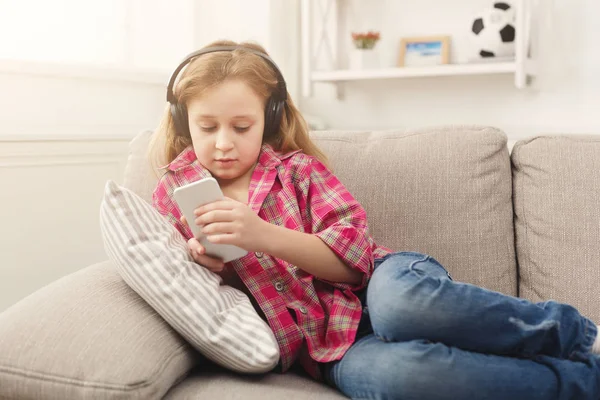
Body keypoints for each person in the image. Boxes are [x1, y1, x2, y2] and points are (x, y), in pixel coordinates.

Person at [150, 40, 600, 399]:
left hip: (379, 283)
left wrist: (263, 235)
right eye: (207, 127)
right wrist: (208, 268)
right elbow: (196, 301)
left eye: (241, 127)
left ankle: (579, 334)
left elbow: (353, 262)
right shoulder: (173, 195)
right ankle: (585, 381)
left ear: (268, 121)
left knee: (401, 310)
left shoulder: (297, 171)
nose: (223, 143)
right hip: (325, 348)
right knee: (401, 378)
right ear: (182, 120)